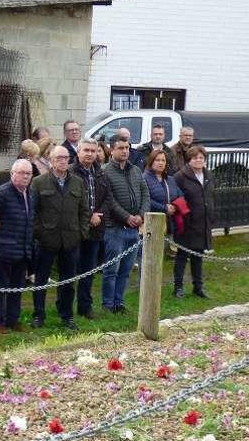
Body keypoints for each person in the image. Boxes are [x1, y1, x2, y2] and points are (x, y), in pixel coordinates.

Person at [30, 146, 90, 330]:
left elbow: (84, 211)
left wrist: (81, 233)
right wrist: (39, 233)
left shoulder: (78, 182)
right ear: (50, 160)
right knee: (41, 279)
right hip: (47, 240)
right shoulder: (39, 182)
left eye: (66, 158)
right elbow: (33, 212)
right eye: (59, 158)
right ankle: (38, 315)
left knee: (68, 280)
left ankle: (67, 315)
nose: (63, 161)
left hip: (71, 239)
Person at [101, 135, 149, 313]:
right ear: (112, 150)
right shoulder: (105, 171)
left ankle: (119, 302)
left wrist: (141, 215)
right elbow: (109, 200)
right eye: (120, 148)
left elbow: (145, 194)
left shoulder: (135, 170)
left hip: (134, 230)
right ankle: (107, 304)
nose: (124, 151)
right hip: (115, 229)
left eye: (127, 148)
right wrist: (127, 217)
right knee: (111, 269)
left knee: (126, 270)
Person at [0, 159, 34, 334]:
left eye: (28, 173)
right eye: (21, 173)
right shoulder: (1, 194)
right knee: (2, 288)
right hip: (4, 249)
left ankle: (13, 319)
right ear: (12, 174)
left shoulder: (30, 193)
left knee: (17, 287)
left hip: (22, 249)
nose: (25, 177)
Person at [71, 139, 109, 319]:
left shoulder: (100, 173)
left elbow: (108, 198)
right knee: (70, 270)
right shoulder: (71, 172)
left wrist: (98, 214)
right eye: (86, 150)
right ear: (78, 152)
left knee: (89, 270)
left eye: (93, 151)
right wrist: (89, 216)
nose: (89, 154)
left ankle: (85, 306)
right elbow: (70, 202)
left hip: (96, 229)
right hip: (76, 228)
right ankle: (65, 308)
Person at [173, 146, 215, 298]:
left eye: (201, 158)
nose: (198, 160)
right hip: (186, 223)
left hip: (202, 223)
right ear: (189, 160)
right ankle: (178, 287)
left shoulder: (209, 175)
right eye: (195, 158)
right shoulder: (180, 176)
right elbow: (176, 198)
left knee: (198, 256)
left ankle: (198, 287)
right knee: (182, 256)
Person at [143, 149, 184, 235]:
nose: (160, 163)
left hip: (171, 223)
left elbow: (180, 195)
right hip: (153, 222)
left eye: (163, 160)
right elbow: (144, 199)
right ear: (151, 161)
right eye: (157, 160)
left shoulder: (170, 179)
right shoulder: (144, 178)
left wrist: (175, 207)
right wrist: (164, 208)